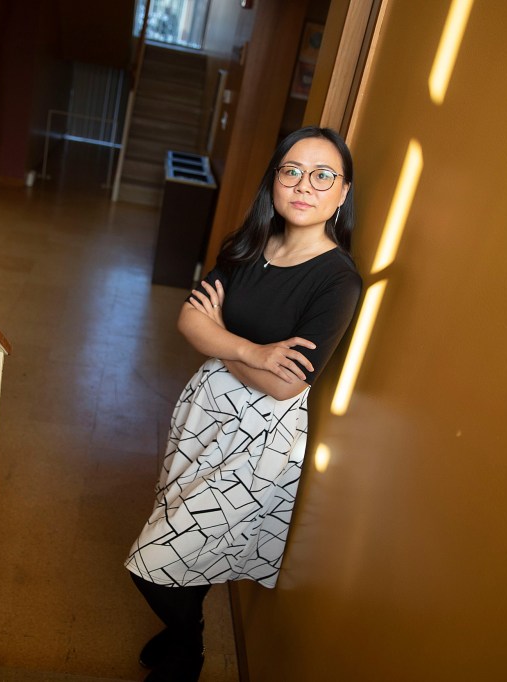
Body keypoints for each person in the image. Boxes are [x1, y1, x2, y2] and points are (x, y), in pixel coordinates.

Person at [125, 126, 363, 682]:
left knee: (155, 565)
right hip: (204, 419)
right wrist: (253, 351)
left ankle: (189, 649)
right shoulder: (249, 244)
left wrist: (220, 337)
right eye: (292, 171)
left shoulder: (337, 280)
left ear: (342, 192)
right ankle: (182, 631)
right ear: (275, 182)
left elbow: (285, 386)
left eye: (323, 174)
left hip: (256, 444)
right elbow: (189, 319)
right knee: (185, 531)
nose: (306, 185)